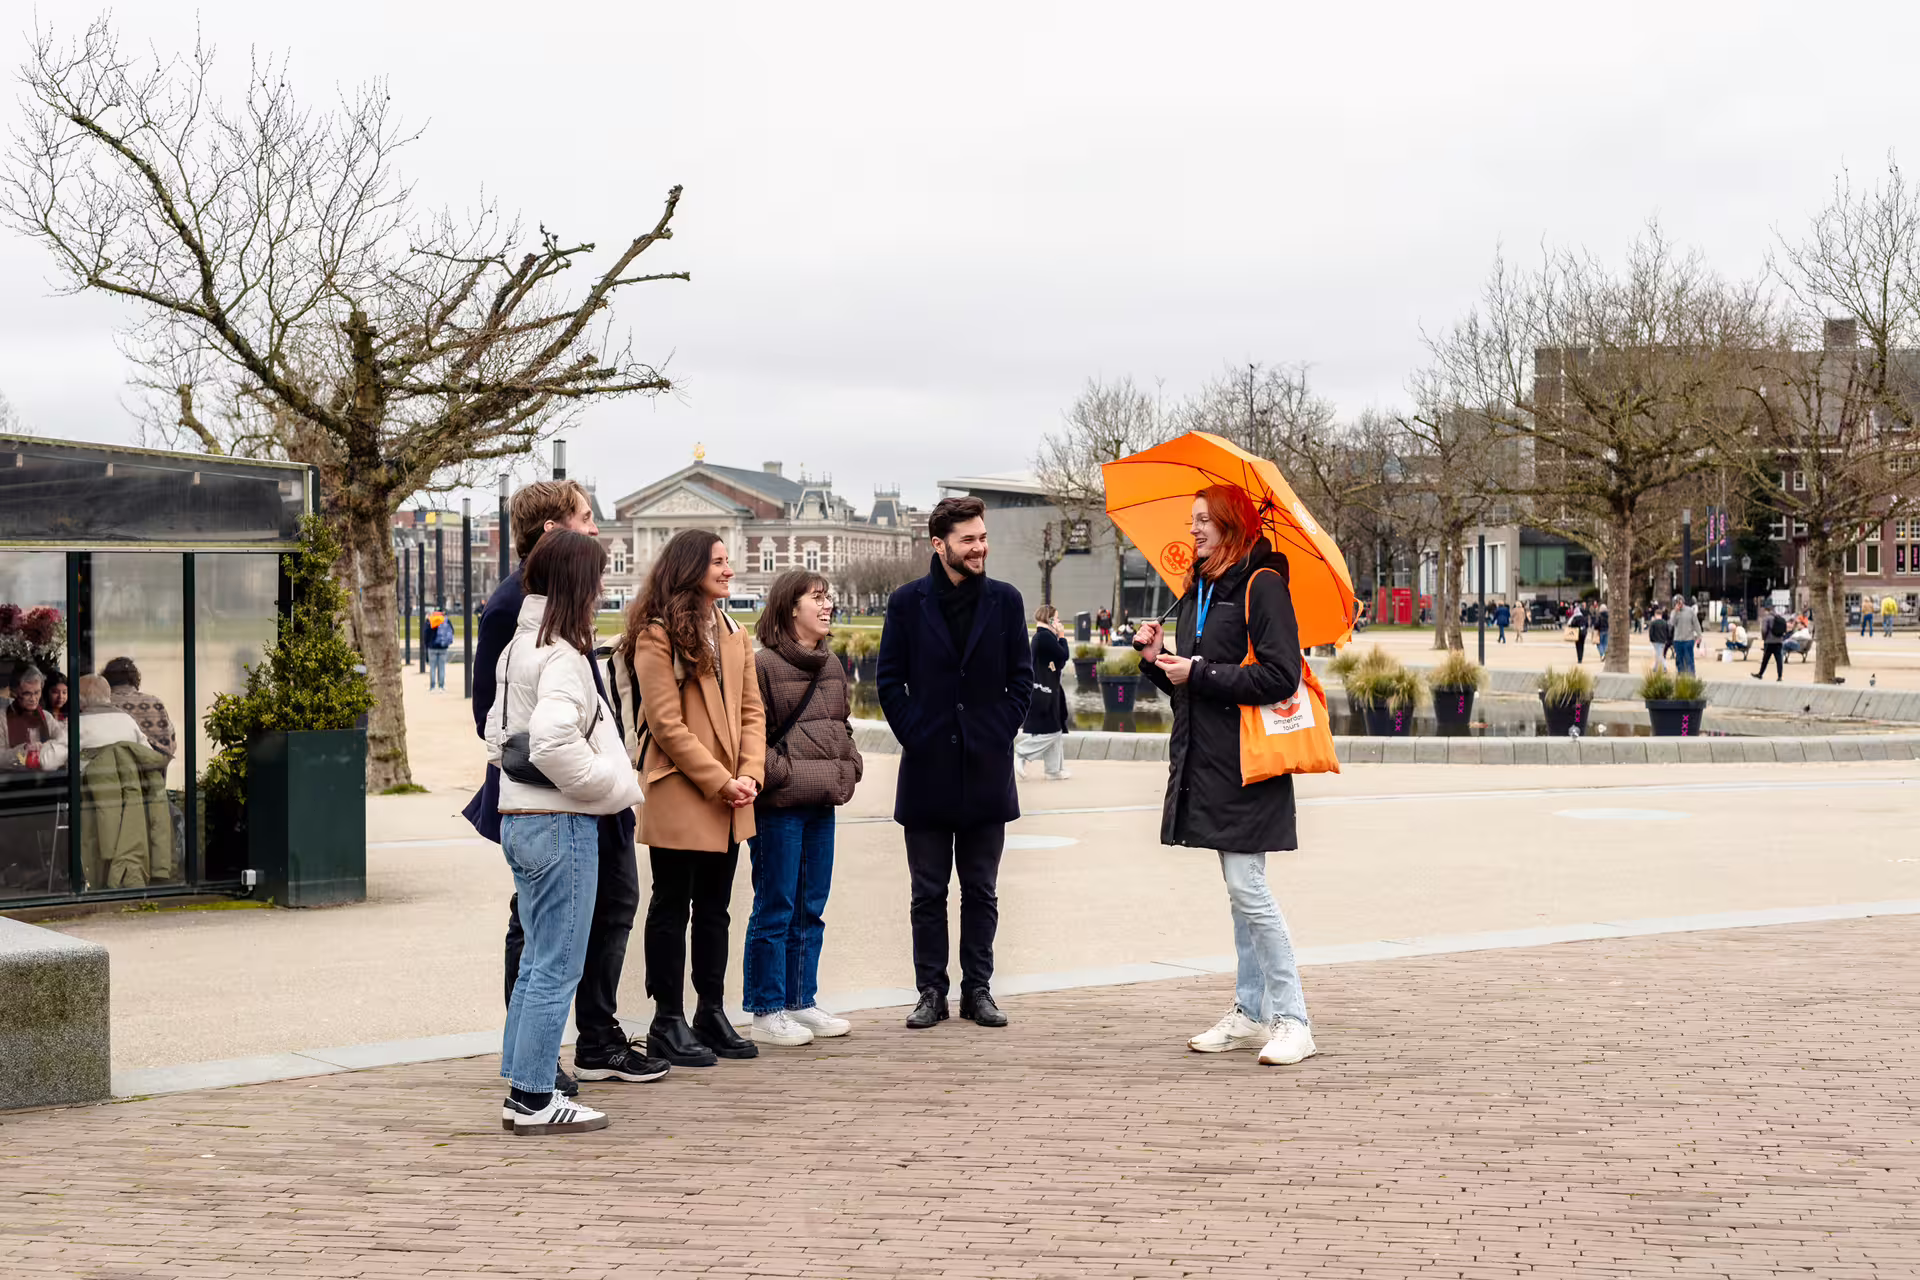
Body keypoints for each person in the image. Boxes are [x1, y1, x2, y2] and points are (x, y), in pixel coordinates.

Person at [466, 480, 665, 1096]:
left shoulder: (552, 612)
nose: (596, 528)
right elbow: (504, 725)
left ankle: (593, 1041)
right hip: (557, 800)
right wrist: (608, 780)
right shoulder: (515, 611)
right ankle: (535, 1067)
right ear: (553, 532)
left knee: (608, 910)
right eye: (586, 518)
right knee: (541, 938)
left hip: (578, 798)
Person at [1137, 483, 1315, 1069]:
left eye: (1203, 520)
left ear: (1232, 524)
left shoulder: (1264, 586)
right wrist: (1157, 661)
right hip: (1206, 760)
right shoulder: (1198, 588)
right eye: (1191, 520)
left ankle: (1293, 1019)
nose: (1192, 530)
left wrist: (1201, 671)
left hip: (1248, 765)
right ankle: (1250, 1011)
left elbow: (1280, 677)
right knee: (1240, 893)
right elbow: (1190, 684)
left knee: (1248, 889)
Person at [485, 530, 641, 1135]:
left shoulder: (516, 650)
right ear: (578, 584)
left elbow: (498, 738)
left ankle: (526, 1082)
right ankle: (533, 1098)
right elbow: (550, 740)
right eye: (598, 577)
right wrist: (606, 783)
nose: (604, 588)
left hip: (522, 817)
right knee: (557, 964)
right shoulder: (562, 656)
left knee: (536, 962)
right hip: (560, 820)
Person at [877, 495, 1031, 1031]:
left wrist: (996, 732)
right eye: (968, 540)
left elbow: (1022, 682)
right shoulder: (905, 602)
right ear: (939, 544)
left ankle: (978, 990)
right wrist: (917, 734)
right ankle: (930, 992)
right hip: (926, 769)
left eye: (982, 537)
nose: (979, 547)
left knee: (982, 890)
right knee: (928, 892)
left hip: (987, 768)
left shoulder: (1007, 602)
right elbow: (888, 681)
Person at [630, 528, 767, 1066]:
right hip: (684, 792)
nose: (729, 569)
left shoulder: (735, 633)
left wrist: (750, 774)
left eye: (728, 560)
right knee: (671, 905)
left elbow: (753, 712)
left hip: (731, 794)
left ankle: (711, 1009)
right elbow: (665, 725)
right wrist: (720, 779)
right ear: (690, 568)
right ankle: (668, 1018)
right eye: (718, 562)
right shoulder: (656, 635)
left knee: (716, 909)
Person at [742, 570, 863, 1047]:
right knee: (776, 907)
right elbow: (749, 736)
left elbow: (842, 725)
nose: (827, 604)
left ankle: (801, 1000)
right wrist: (785, 773)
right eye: (817, 597)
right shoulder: (763, 665)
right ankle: (766, 1010)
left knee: (811, 907)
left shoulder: (830, 663)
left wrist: (847, 766)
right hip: (780, 807)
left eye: (828, 596)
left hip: (821, 804)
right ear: (791, 607)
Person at [1015, 604, 1072, 782]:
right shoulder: (1045, 637)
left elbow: (1058, 663)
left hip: (1047, 689)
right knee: (1052, 731)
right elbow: (1064, 655)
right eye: (1057, 618)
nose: (1059, 622)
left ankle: (1053, 770)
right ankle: (1021, 752)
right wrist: (1062, 636)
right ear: (1049, 619)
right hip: (1044, 691)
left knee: (1053, 729)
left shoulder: (1044, 637)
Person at [101, 657, 176, 759]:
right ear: (135, 678)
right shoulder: (154, 702)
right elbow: (170, 744)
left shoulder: (104, 704)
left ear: (106, 679)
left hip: (112, 769)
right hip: (153, 768)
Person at [75, 674, 149, 749]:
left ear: (79, 698)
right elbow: (147, 753)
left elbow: (63, 755)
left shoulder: (77, 724)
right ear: (108, 694)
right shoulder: (128, 720)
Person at [4, 667, 59, 748]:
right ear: (14, 693)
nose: (33, 699)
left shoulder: (47, 717)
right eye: (27, 694)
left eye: (37, 692)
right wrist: (24, 749)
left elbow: (63, 742)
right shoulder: (2, 719)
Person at [1670, 595, 1700, 676]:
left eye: (1679, 602)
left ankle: (1691, 674)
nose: (1678, 604)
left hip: (1688, 639)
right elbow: (1672, 623)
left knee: (1689, 658)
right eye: (1676, 603)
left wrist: (1699, 635)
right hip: (1677, 640)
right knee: (1679, 659)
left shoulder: (1690, 611)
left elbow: (1696, 623)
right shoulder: (1673, 612)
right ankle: (1681, 673)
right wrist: (1676, 612)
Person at [426, 607, 454, 691]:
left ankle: (432, 686)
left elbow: (426, 634)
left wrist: (427, 644)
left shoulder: (430, 621)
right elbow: (452, 631)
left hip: (432, 647)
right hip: (443, 647)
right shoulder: (446, 621)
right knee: (442, 667)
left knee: (432, 667)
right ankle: (441, 685)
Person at [1648, 607, 1672, 674]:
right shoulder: (1665, 623)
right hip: (1663, 641)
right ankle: (1656, 667)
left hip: (1655, 641)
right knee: (1659, 654)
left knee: (1659, 655)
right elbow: (1668, 632)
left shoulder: (1653, 623)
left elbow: (1651, 632)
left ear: (1656, 614)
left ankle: (1664, 667)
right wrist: (1666, 639)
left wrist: (1651, 639)